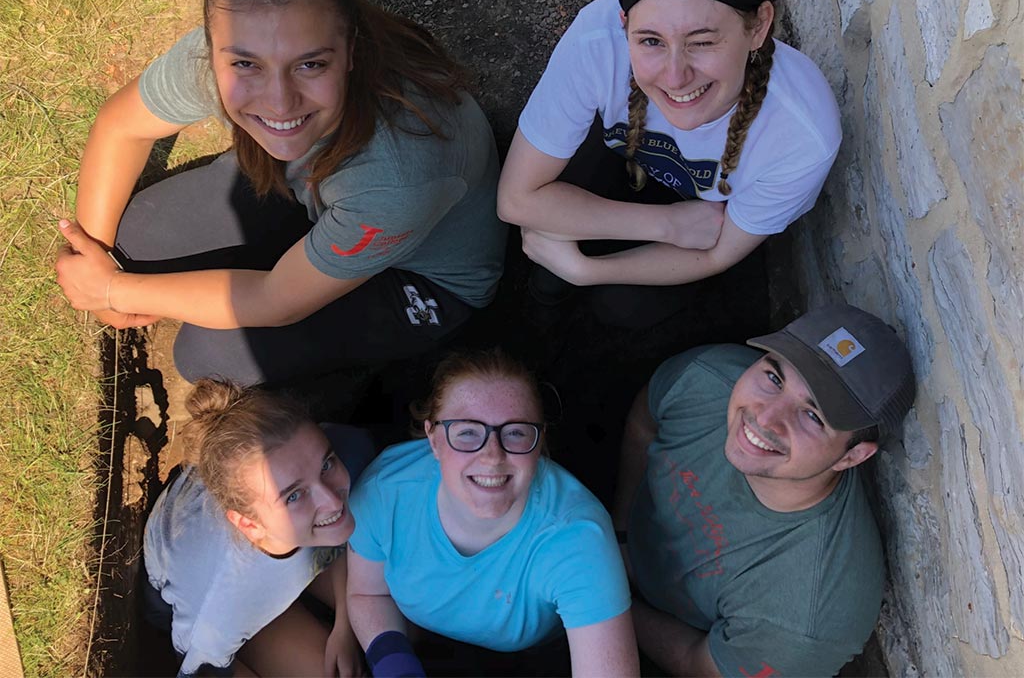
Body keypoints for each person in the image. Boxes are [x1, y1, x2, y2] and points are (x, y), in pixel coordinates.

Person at [55, 0, 506, 386]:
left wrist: (109, 290)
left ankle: (342, 392)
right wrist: (95, 257)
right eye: (246, 65)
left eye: (310, 64)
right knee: (135, 242)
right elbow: (121, 127)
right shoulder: (226, 58)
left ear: (351, 49)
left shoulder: (397, 176)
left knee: (208, 354)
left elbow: (275, 301)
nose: (279, 101)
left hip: (419, 277)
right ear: (213, 51)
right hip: (316, 196)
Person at [496, 0, 841, 331]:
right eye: (650, 41)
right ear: (624, 24)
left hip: (710, 218)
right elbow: (516, 200)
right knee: (548, 250)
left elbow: (717, 254)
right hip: (635, 173)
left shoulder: (802, 135)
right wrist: (667, 223)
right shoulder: (598, 41)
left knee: (625, 308)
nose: (676, 77)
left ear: (759, 26)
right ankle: (540, 310)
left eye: (703, 42)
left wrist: (587, 271)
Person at [612, 304, 916, 677]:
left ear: (852, 457)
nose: (765, 417)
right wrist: (620, 531)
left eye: (813, 416)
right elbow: (644, 421)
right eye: (775, 378)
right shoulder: (708, 377)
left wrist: (607, 600)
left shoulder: (809, 616)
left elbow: (699, 662)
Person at [345, 348, 639, 677]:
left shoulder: (578, 535)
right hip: (416, 637)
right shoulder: (384, 491)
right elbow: (369, 592)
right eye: (467, 432)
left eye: (515, 432)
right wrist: (396, 667)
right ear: (433, 439)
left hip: (540, 656)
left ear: (540, 440)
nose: (492, 456)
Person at [143, 377, 375, 677]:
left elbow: (344, 537)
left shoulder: (345, 454)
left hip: (287, 547)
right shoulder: (220, 608)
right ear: (248, 524)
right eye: (293, 495)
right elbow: (204, 669)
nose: (332, 500)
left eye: (326, 464)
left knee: (392, 619)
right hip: (224, 607)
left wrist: (346, 623)